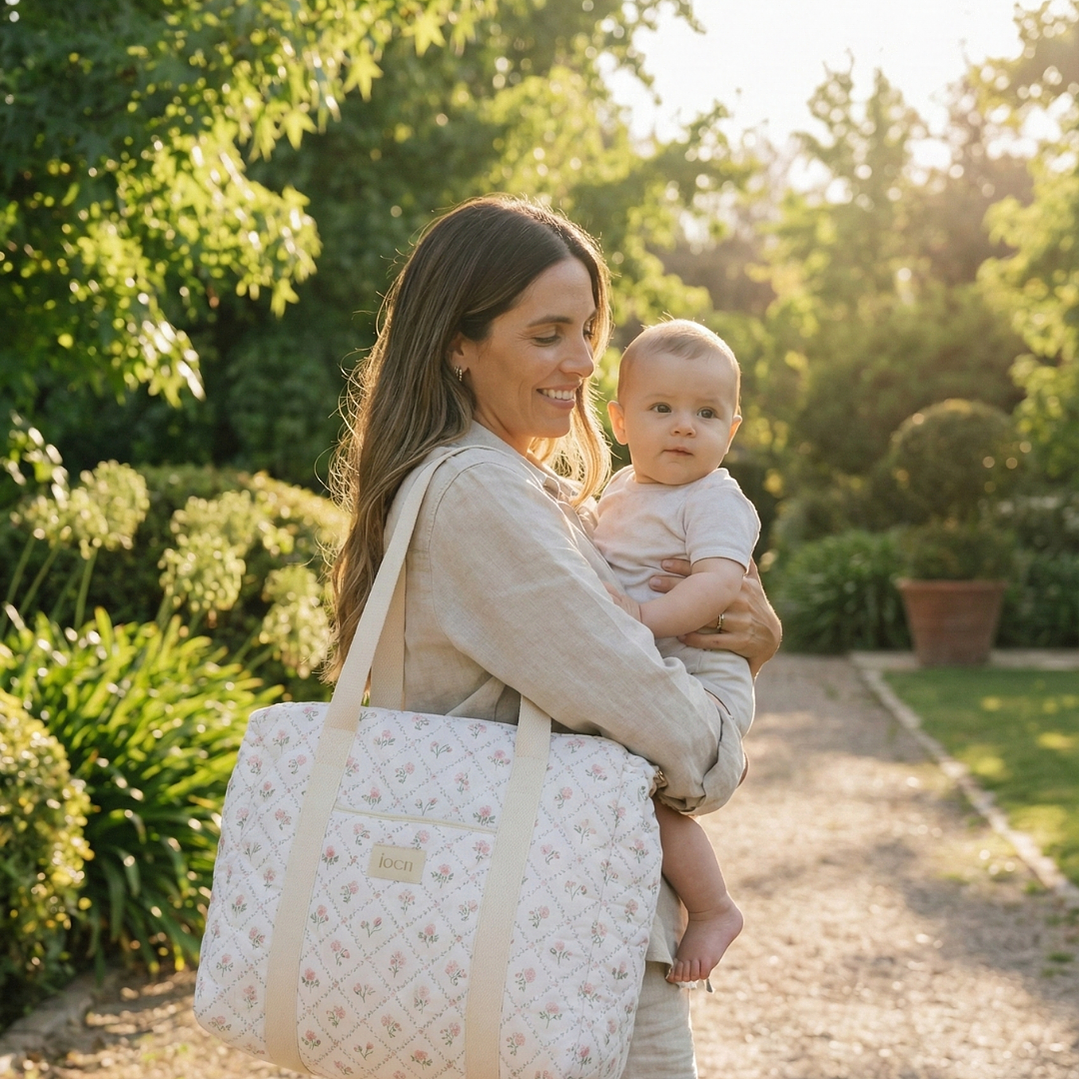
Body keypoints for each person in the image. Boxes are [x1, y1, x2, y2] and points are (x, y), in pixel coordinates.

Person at [330, 194, 781, 1079]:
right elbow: (672, 735)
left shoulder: (525, 489)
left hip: (537, 926)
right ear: (457, 344)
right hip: (550, 936)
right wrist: (734, 688)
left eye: (586, 331)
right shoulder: (479, 493)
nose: (580, 362)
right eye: (546, 335)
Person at [594, 320, 759, 988]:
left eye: (706, 413)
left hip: (702, 672)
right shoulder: (618, 490)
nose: (684, 425)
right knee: (624, 788)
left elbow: (719, 583)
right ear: (621, 421)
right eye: (661, 408)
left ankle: (714, 906)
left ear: (731, 430)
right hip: (657, 665)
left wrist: (642, 619)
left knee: (648, 798)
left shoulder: (714, 498)